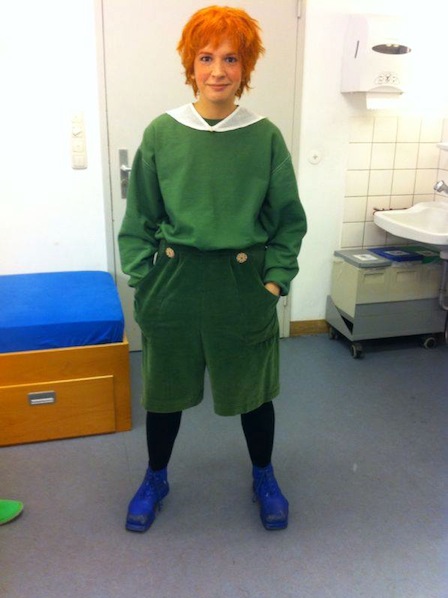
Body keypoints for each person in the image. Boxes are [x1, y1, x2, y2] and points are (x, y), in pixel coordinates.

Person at [118, 5, 307, 533]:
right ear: (191, 65)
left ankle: (264, 475)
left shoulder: (264, 137)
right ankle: (155, 477)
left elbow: (288, 221)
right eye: (206, 58)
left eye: (230, 58)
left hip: (242, 285)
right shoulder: (163, 133)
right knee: (164, 393)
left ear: (246, 67)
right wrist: (145, 280)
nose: (218, 71)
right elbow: (139, 219)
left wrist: (274, 283)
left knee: (253, 392)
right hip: (173, 283)